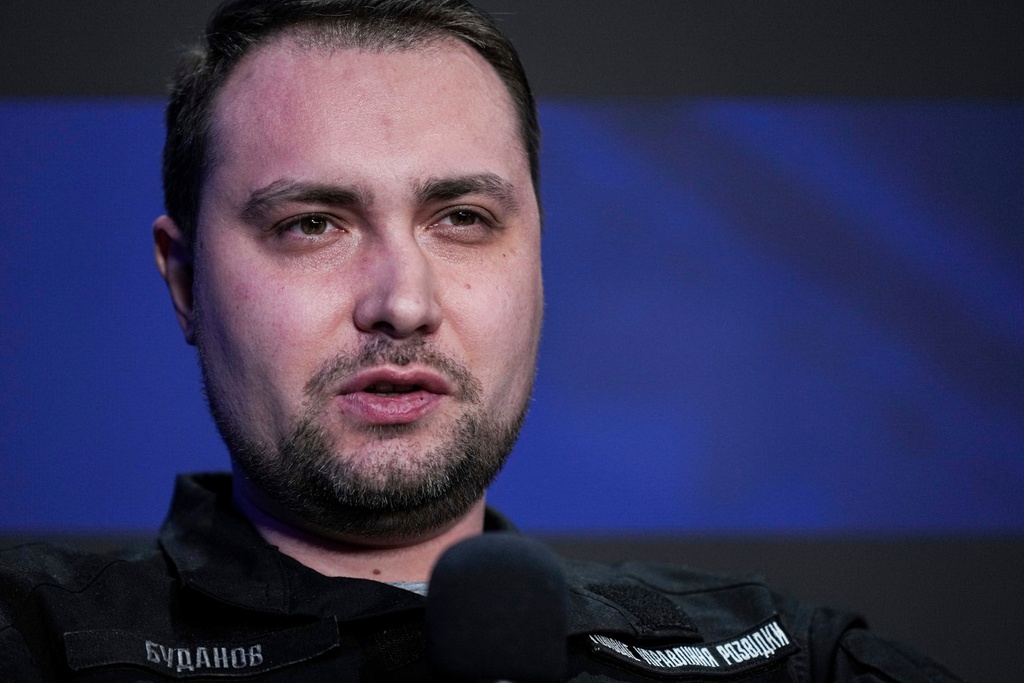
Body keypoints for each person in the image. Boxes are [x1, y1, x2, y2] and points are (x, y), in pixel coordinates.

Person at [0, 1, 963, 680]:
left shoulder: (790, 656)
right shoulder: (32, 638)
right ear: (184, 282)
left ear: (538, 261)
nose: (404, 302)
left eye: (460, 216)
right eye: (312, 224)